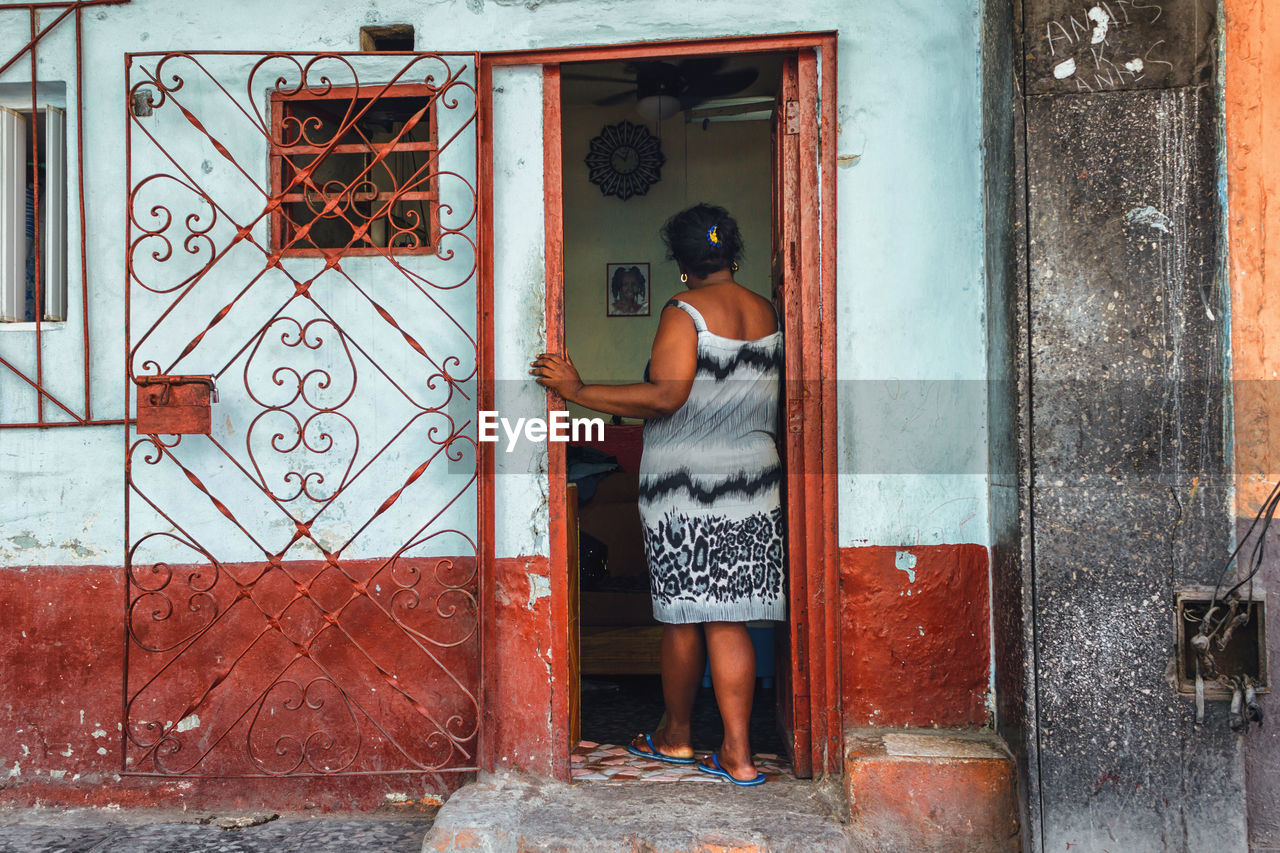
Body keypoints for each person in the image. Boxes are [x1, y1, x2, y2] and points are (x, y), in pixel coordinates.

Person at [530, 203, 784, 786]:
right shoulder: (765, 310)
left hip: (686, 483)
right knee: (731, 619)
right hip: (754, 479)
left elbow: (666, 396)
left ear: (681, 262)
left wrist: (579, 388)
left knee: (684, 618)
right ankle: (739, 755)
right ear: (733, 253)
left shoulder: (684, 311)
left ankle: (675, 737)